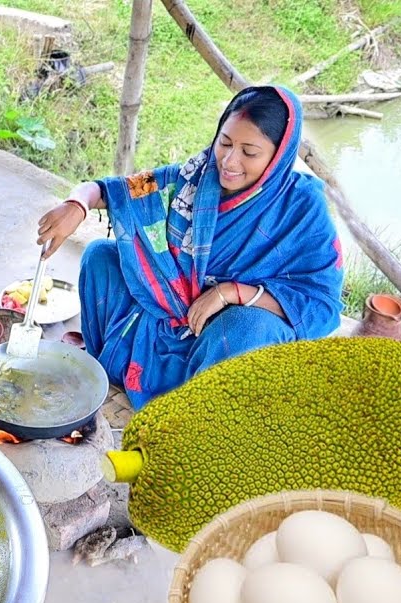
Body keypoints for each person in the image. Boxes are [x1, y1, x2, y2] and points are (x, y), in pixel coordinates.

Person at [36, 85, 343, 409]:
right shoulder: (193, 179)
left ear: (278, 156)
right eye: (225, 143)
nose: (229, 161)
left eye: (249, 152)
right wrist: (77, 204)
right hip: (171, 311)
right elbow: (115, 190)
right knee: (100, 257)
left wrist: (230, 293)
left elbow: (320, 303)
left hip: (225, 335)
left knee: (246, 330)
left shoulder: (301, 208)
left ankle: (199, 416)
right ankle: (112, 371)